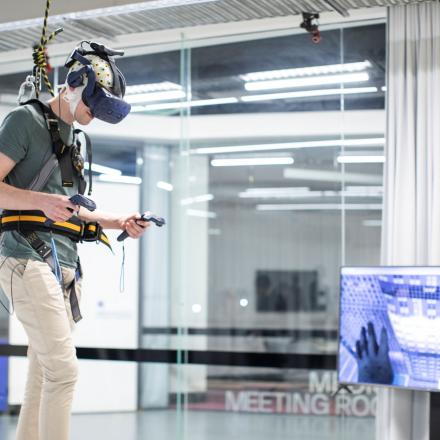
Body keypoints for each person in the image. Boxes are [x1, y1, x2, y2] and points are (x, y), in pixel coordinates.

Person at [0, 41, 149, 440]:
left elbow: (70, 207)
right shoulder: (23, 122)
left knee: (43, 372)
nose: (93, 117)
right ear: (73, 84)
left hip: (62, 264)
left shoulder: (73, 138)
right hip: (23, 256)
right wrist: (41, 203)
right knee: (63, 372)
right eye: (93, 106)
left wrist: (117, 220)